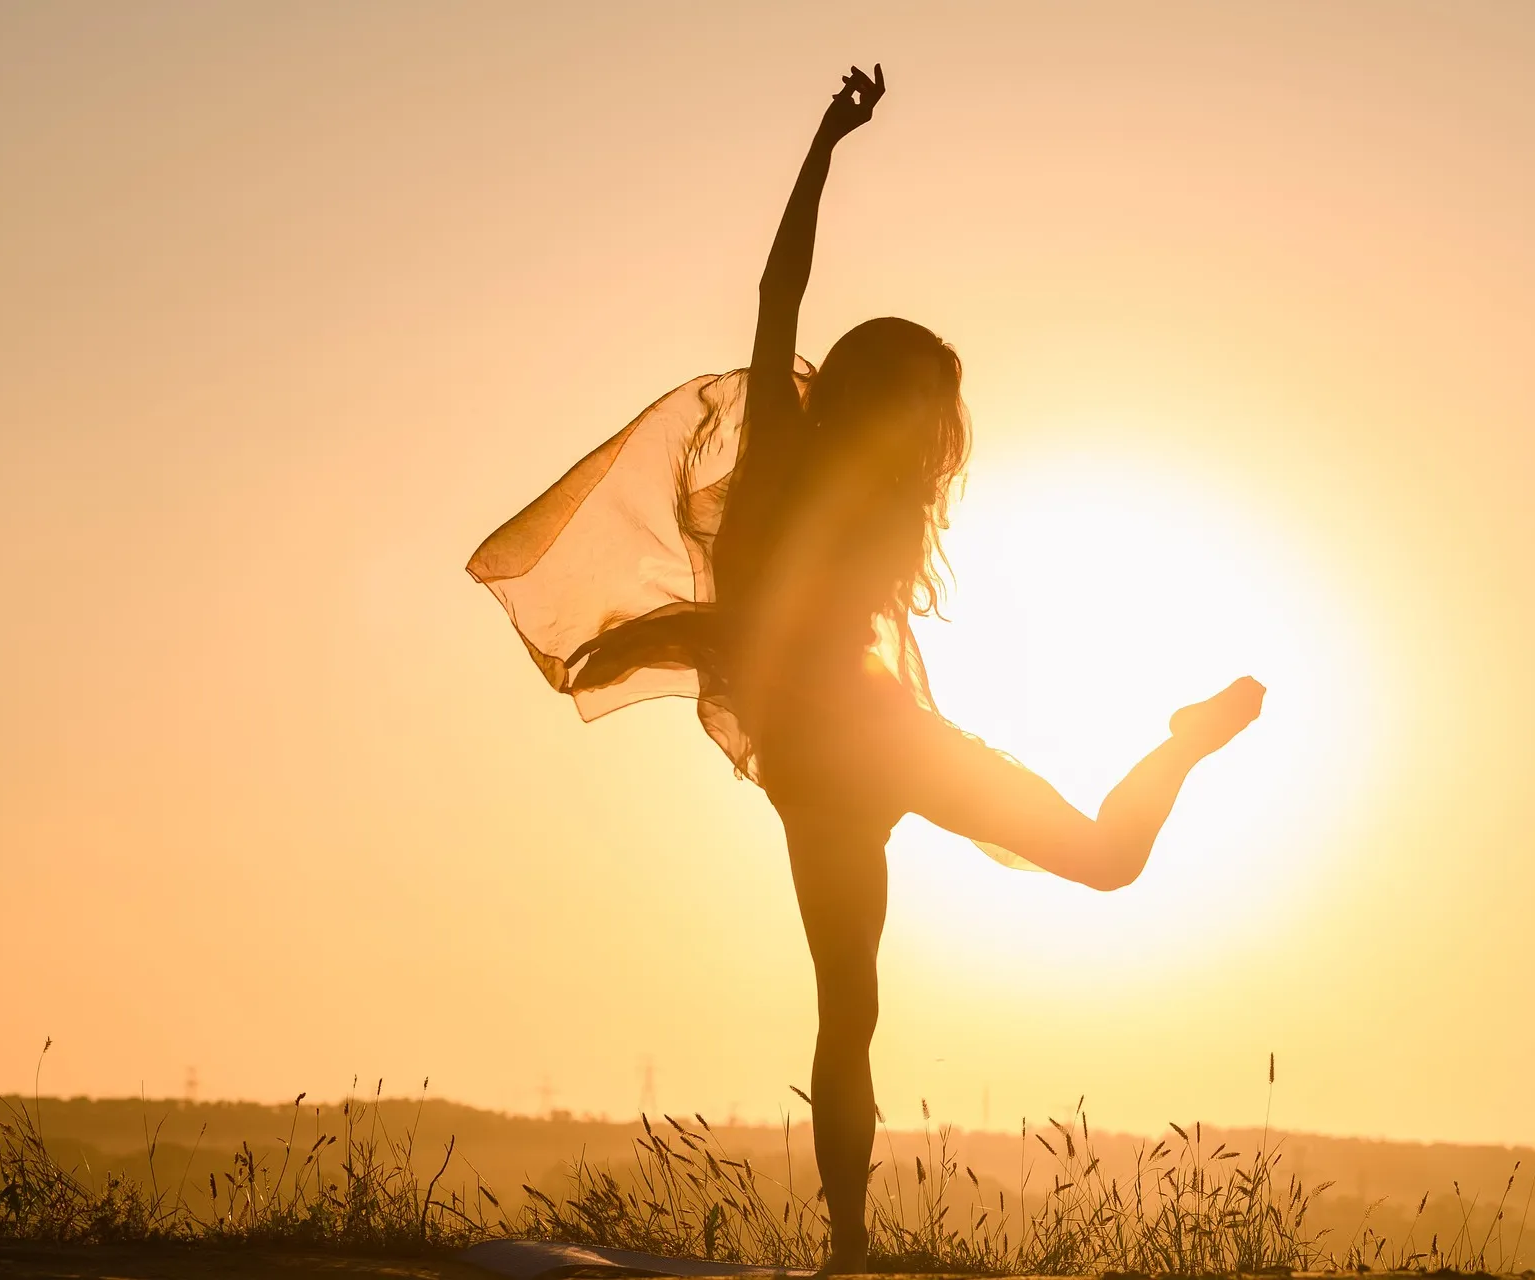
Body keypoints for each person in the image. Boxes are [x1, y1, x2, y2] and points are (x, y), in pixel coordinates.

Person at [468, 65, 1264, 1274]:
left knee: (856, 1005)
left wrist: (831, 139)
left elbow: (776, 297)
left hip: (842, 758)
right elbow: (777, 289)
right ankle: (1182, 744)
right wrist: (826, 145)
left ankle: (849, 1243)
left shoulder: (826, 475)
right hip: (866, 749)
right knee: (1085, 873)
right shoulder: (816, 464)